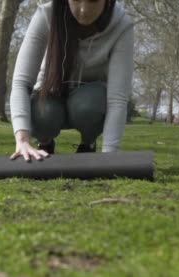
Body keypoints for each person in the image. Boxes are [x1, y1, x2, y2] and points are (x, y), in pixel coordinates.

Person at [9, 0, 134, 161]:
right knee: (43, 113)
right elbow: (21, 83)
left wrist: (109, 156)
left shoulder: (121, 25)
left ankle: (88, 143)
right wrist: (22, 141)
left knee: (89, 105)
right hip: (51, 94)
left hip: (89, 99)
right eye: (75, 0)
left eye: (93, 1)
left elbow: (118, 98)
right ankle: (45, 143)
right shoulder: (45, 15)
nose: (83, 9)